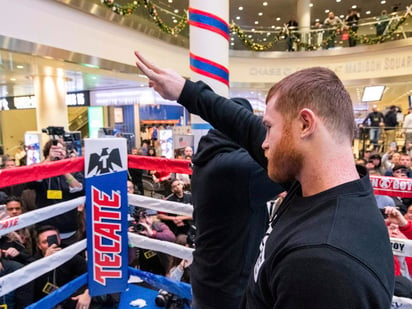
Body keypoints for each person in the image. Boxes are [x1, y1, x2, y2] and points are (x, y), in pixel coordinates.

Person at [134, 51, 394, 308]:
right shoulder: (314, 187)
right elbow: (245, 127)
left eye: (269, 128)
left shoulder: (321, 263)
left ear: (305, 125)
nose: (263, 143)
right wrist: (185, 91)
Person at [190, 97, 284, 308]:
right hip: (229, 288)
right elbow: (292, 170)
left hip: (209, 276)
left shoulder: (209, 157)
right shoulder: (236, 169)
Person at [27, 139, 84, 247]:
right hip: (46, 229)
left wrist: (62, 168)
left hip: (69, 228)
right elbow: (32, 182)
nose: (59, 152)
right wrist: (49, 160)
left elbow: (78, 188)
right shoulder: (41, 168)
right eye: (56, 150)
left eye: (62, 149)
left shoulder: (73, 170)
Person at [32, 225, 92, 309]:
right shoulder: (33, 264)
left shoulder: (73, 258)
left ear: (59, 240)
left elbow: (89, 279)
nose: (50, 244)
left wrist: (88, 293)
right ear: (39, 245)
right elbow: (34, 289)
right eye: (45, 242)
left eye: (53, 239)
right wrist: (45, 263)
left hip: (70, 301)